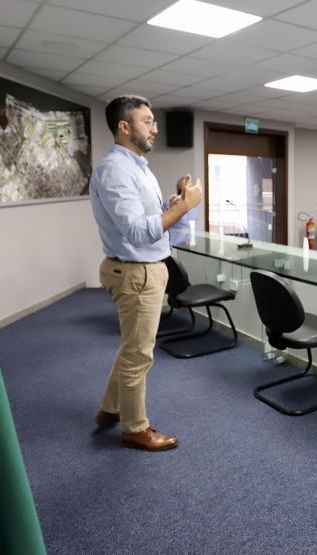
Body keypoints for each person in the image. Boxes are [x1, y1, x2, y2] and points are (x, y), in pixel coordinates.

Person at [89, 95, 202, 451]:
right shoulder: (115, 170)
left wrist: (171, 205)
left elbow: (146, 219)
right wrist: (184, 207)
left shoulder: (137, 166)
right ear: (125, 127)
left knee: (131, 347)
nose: (155, 129)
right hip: (136, 272)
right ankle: (135, 428)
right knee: (139, 355)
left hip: (145, 268)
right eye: (148, 121)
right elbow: (138, 232)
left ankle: (110, 409)